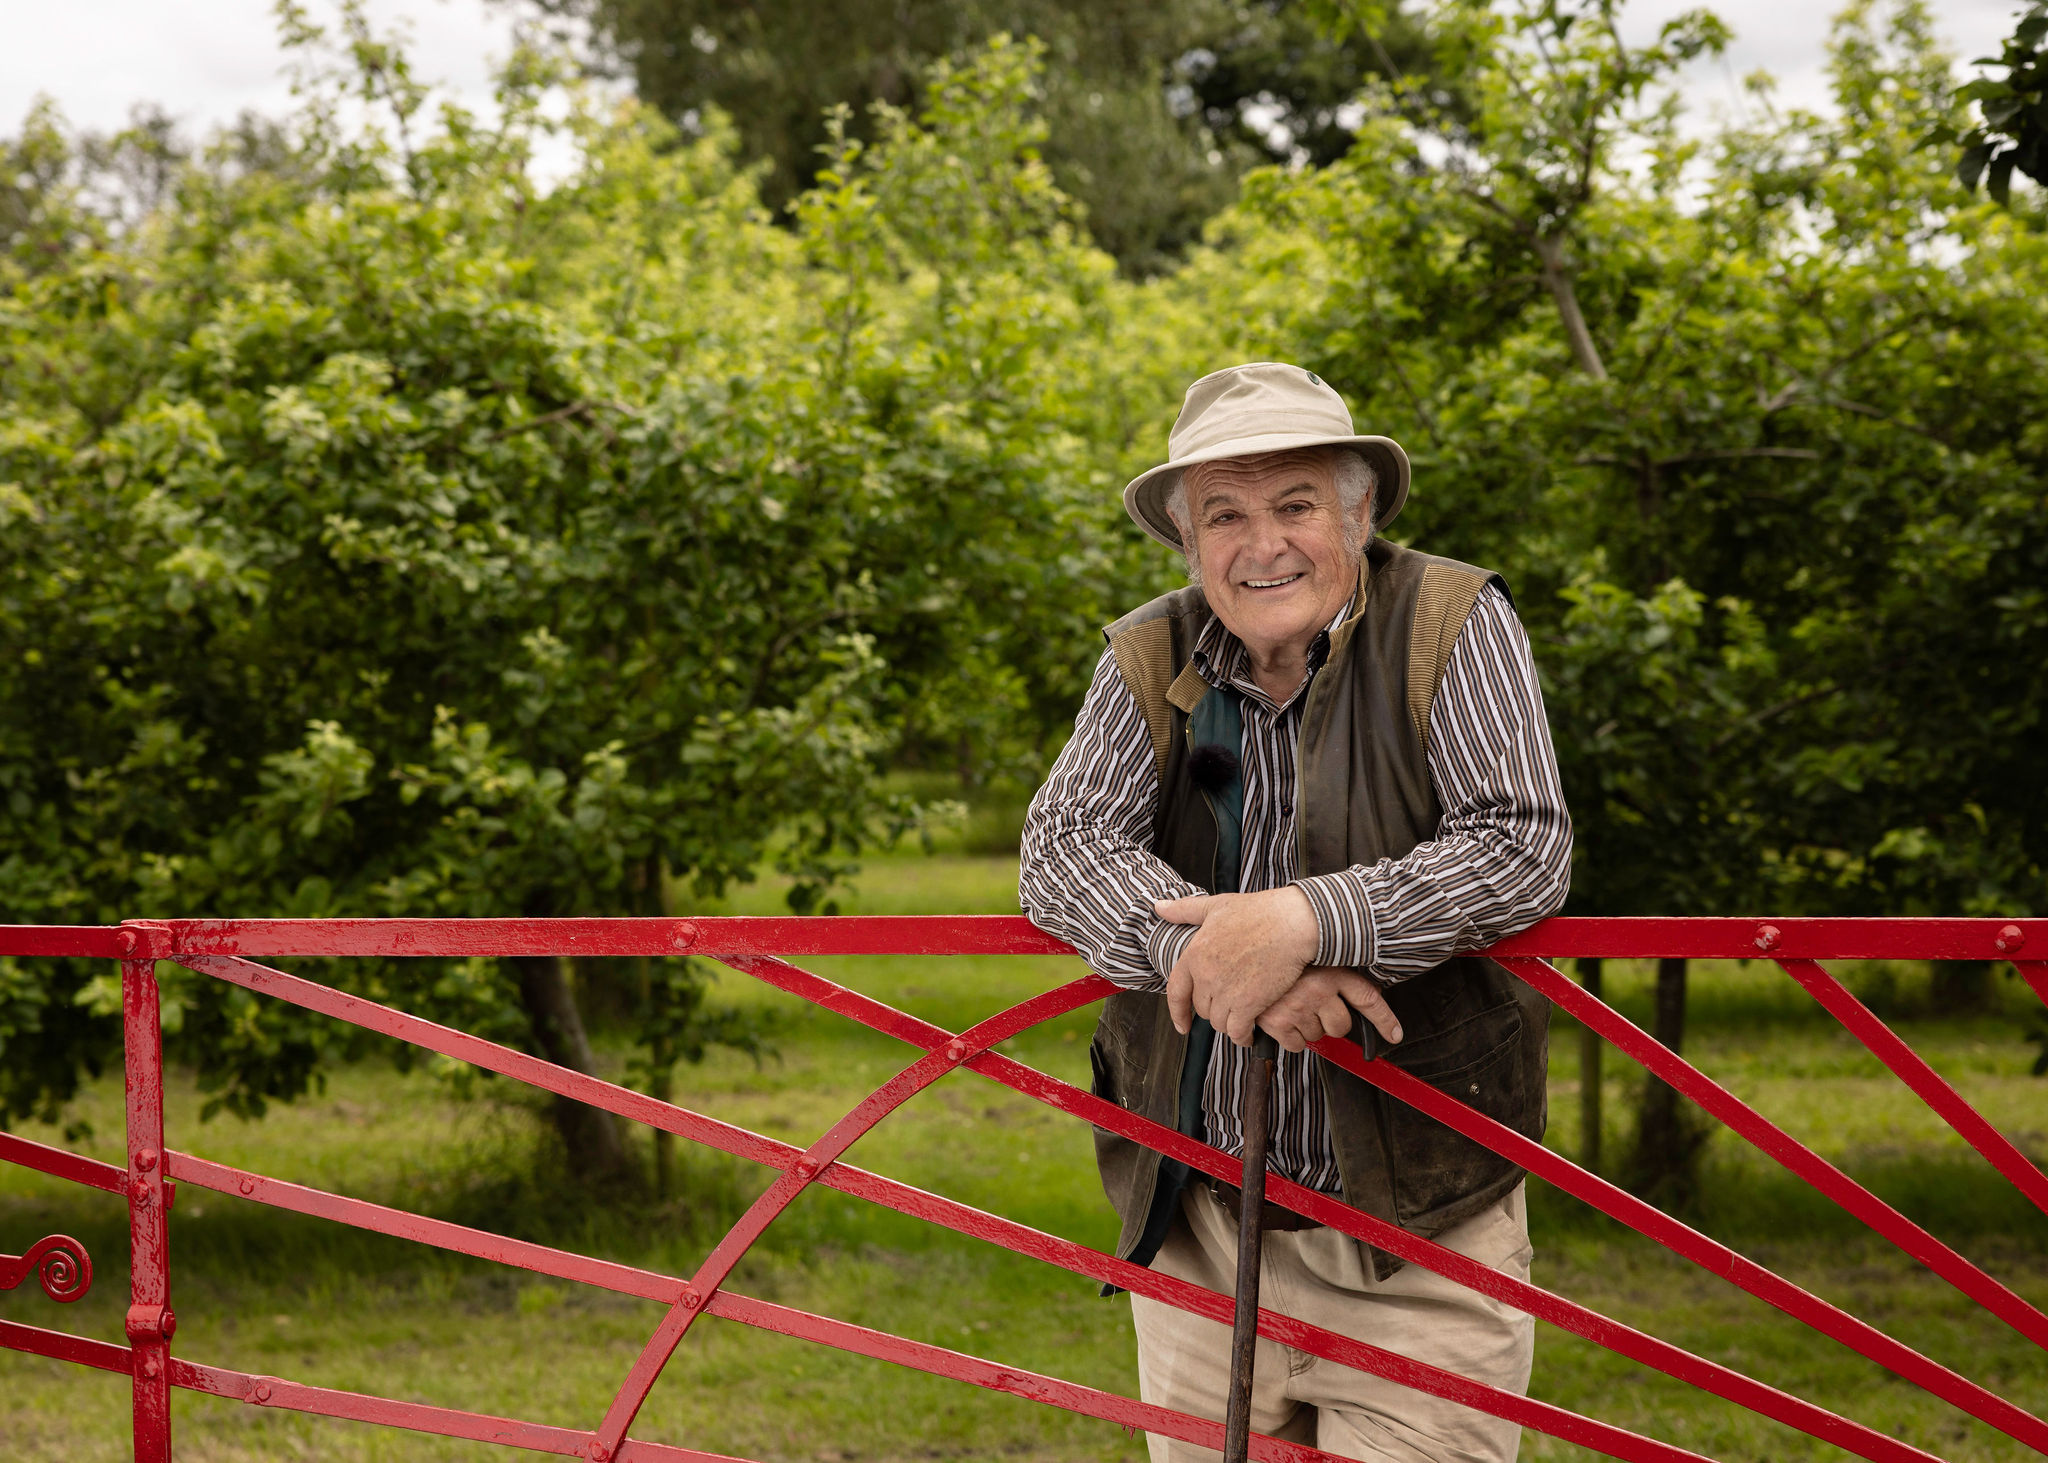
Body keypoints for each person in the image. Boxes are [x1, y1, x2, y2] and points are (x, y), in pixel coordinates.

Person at [1018, 362, 1572, 1462]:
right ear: (1186, 539)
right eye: (1223, 512)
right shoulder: (1149, 648)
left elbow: (1518, 842)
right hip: (1201, 1234)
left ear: (1358, 516)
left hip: (1420, 1239)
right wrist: (1228, 958)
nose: (1258, 542)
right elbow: (1059, 847)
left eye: (1294, 504)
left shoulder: (1449, 620)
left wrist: (1310, 920)